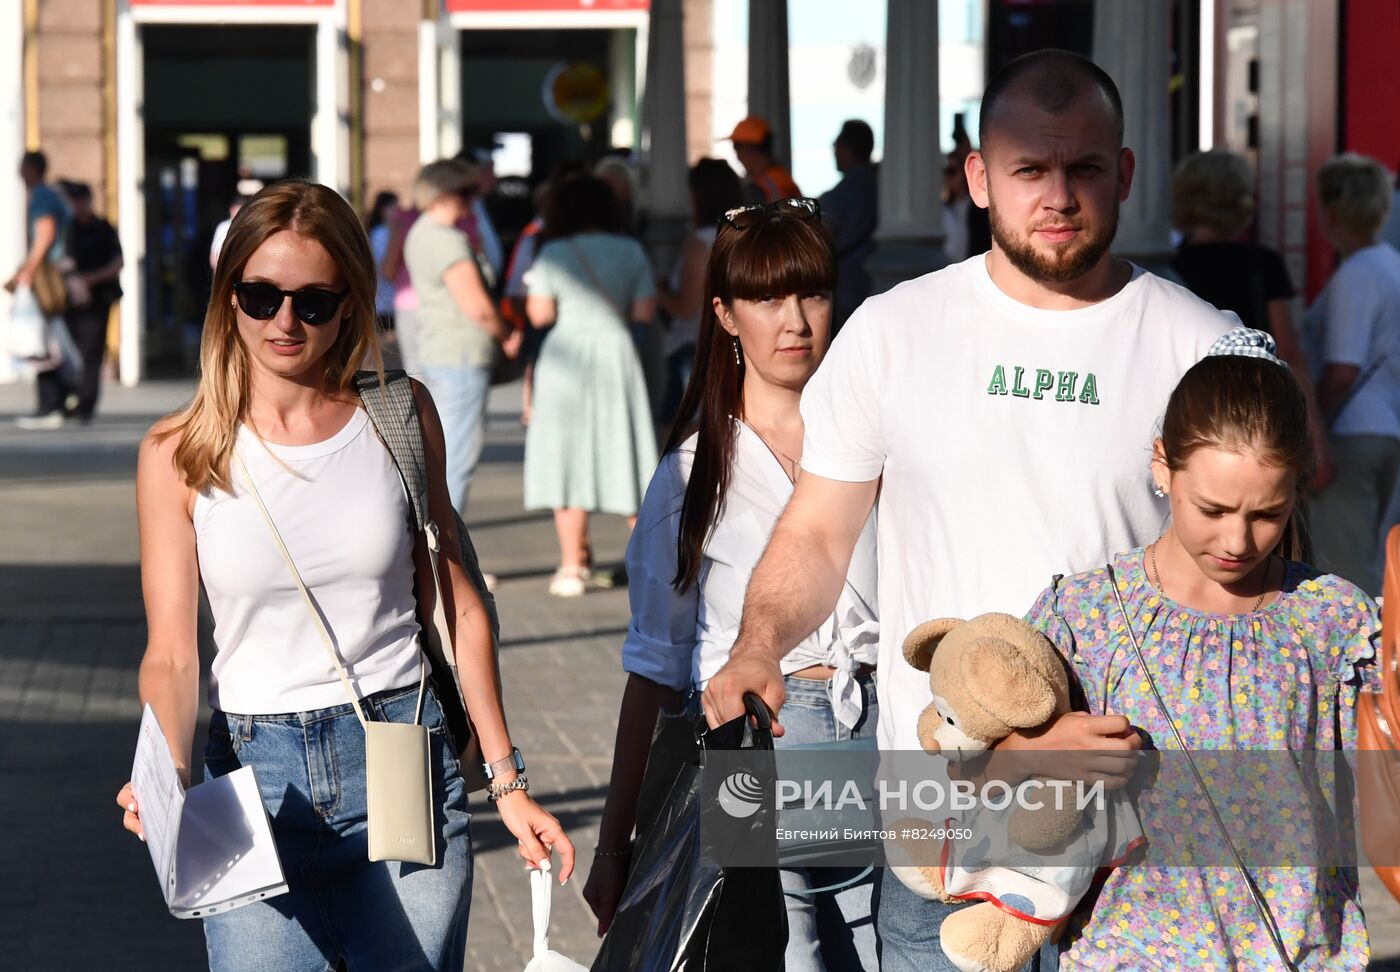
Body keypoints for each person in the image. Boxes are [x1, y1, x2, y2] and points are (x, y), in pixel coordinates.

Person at [700, 49, 1235, 971]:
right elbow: (818, 532)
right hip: (943, 830)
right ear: (980, 178)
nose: (1058, 196)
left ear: (1125, 173)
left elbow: (1245, 581)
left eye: (1084, 168)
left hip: (1134, 836)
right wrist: (758, 644)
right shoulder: (893, 332)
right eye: (1030, 170)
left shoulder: (1204, 347)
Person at [113, 179, 572, 970]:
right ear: (228, 299)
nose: (285, 323)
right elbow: (173, 654)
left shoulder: (398, 413)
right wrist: (167, 772)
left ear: (351, 304)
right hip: (252, 777)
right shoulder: (178, 453)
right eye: (261, 297)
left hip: (400, 754)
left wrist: (507, 780)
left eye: (314, 303)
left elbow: (457, 605)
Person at [584, 198, 880, 970]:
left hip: (879, 735)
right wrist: (616, 843)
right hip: (747, 740)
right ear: (724, 313)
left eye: (813, 293)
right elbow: (654, 668)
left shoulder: (881, 445)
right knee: (776, 957)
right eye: (767, 298)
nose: (795, 321)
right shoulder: (691, 473)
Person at [1022, 328, 1375, 967]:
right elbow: (963, 771)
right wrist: (1032, 751)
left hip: (1296, 955)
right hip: (1123, 954)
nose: (1238, 541)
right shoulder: (1087, 615)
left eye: (1267, 514)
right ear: (1163, 466)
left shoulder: (1332, 619)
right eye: (1212, 509)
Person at [523, 175, 657, 597]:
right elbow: (645, 312)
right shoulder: (631, 250)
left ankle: (571, 566)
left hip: (564, 356)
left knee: (566, 456)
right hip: (616, 351)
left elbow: (540, 315)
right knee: (626, 449)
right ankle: (653, 561)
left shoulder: (554, 253)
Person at [1169, 149, 1332, 485]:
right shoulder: (1264, 264)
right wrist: (1315, 438)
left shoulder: (1168, 268)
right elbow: (1289, 353)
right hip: (1258, 416)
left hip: (1190, 413)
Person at [404, 160, 522, 522]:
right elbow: (477, 306)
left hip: (440, 349)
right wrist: (507, 335)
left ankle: (437, 538)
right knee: (457, 458)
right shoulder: (446, 239)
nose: (474, 199)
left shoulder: (423, 232)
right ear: (443, 193)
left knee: (441, 454)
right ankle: (448, 545)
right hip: (461, 355)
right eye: (466, 192)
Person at [1306, 153, 1400, 596]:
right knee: (1375, 563)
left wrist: (1313, 430)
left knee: (1344, 576)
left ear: (1332, 210)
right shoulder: (1391, 265)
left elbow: (1343, 369)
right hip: (1388, 430)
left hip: (1349, 434)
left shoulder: (1356, 275)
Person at [656, 158, 743, 419]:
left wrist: (658, 291)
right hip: (734, 345)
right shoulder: (744, 235)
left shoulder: (700, 243)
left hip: (694, 350)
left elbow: (686, 307)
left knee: (683, 436)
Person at [13, 150, 73, 429]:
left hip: (47, 274)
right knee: (51, 339)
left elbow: (46, 234)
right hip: (54, 270)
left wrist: (29, 270)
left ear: (31, 169)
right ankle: (57, 402)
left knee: (43, 341)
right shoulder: (50, 195)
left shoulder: (42, 196)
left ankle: (51, 404)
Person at [59, 181, 123, 423]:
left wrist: (90, 280)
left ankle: (85, 405)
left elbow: (117, 262)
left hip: (97, 300)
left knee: (92, 353)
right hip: (70, 301)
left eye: (79, 201)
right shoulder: (68, 229)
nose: (76, 206)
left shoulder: (103, 228)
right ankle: (69, 400)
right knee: (69, 352)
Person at [819, 120, 878, 328]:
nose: (834, 151)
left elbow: (823, 237)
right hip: (870, 283)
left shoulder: (842, 192)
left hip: (848, 287)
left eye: (836, 145)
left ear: (846, 148)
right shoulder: (878, 184)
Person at [727, 115, 801, 204]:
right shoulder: (781, 178)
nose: (737, 156)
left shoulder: (766, 187)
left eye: (736, 146)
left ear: (749, 148)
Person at [364, 189, 399, 332]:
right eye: (393, 207)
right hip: (385, 298)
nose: (397, 211)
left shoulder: (381, 232)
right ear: (383, 210)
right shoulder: (381, 233)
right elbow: (383, 266)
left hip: (386, 298)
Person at [209, 194, 248, 271]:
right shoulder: (223, 227)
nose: (238, 214)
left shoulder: (248, 227)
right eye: (236, 210)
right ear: (231, 210)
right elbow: (214, 256)